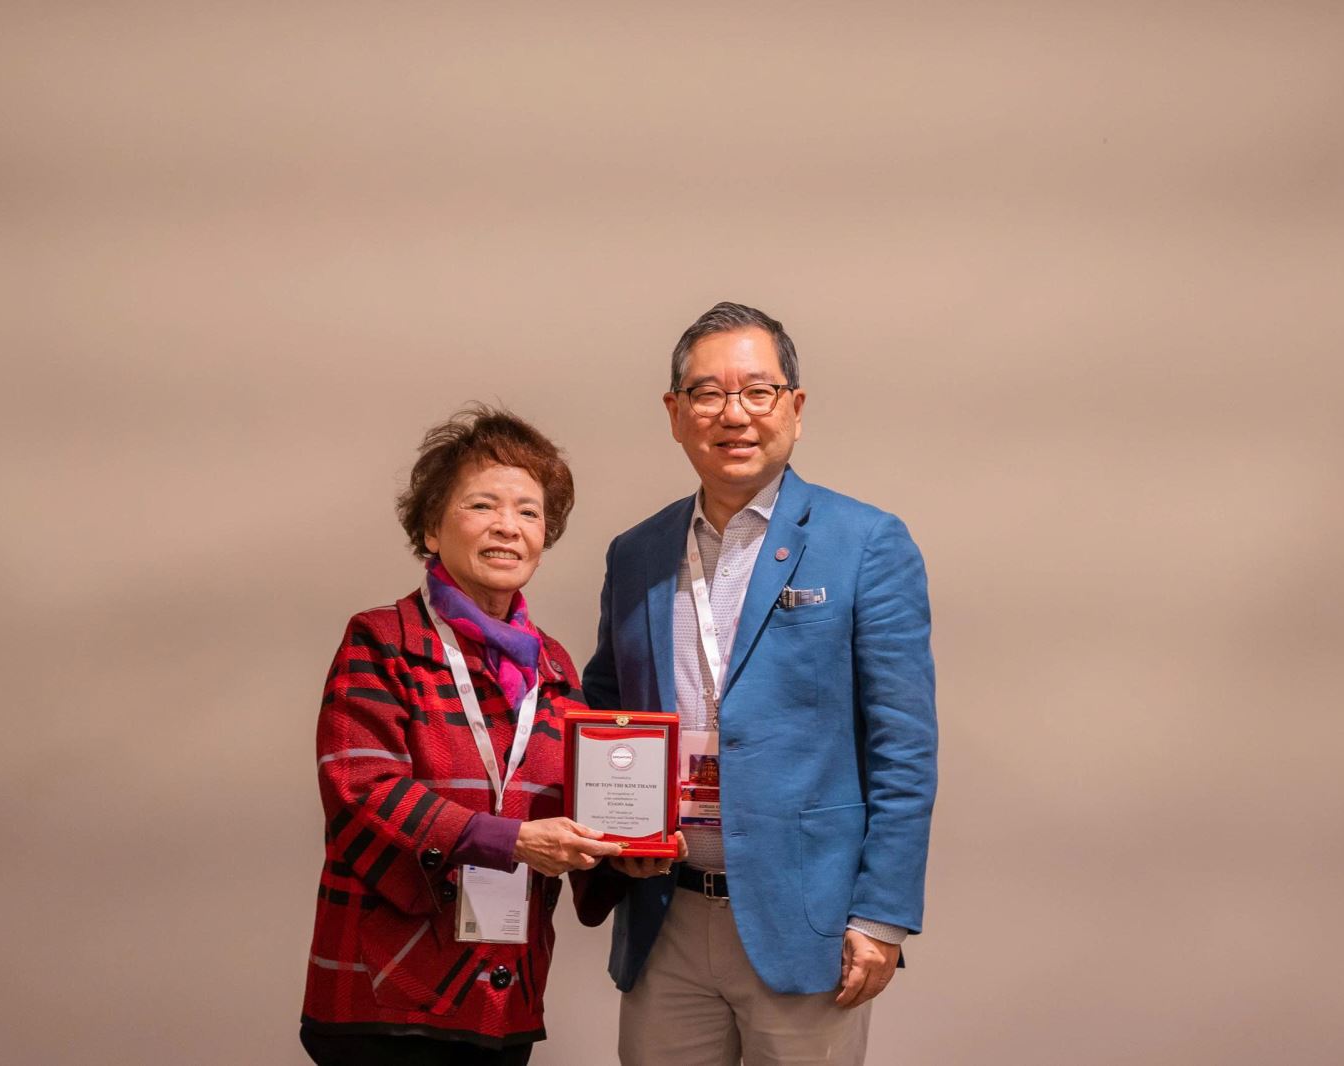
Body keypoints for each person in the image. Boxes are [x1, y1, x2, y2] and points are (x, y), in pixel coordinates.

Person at [574, 302, 939, 1065]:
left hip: (805, 921)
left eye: (757, 391)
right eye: (708, 393)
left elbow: (904, 748)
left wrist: (882, 916)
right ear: (675, 414)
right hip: (666, 914)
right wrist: (611, 841)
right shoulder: (636, 553)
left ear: (795, 408)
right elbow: (605, 708)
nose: (733, 414)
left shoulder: (866, 543)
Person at [300, 406, 624, 1066]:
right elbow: (362, 787)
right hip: (387, 993)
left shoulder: (557, 669)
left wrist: (623, 855)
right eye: (482, 505)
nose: (508, 526)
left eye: (529, 512)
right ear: (430, 526)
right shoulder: (381, 640)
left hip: (503, 997)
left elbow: (576, 808)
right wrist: (511, 840)